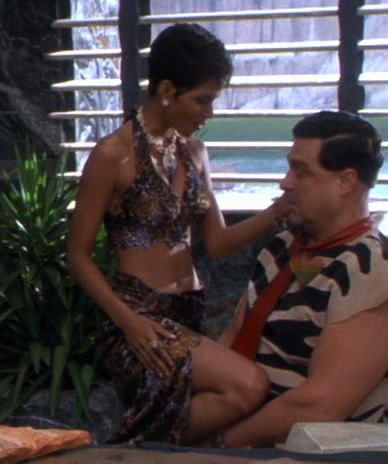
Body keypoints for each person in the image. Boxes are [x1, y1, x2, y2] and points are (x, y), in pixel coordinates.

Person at [66, 23, 287, 445]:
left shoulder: (195, 153)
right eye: (202, 100)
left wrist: (277, 212)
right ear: (167, 90)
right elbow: (77, 255)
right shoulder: (113, 155)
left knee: (216, 407)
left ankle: (136, 451)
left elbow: (218, 243)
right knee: (248, 386)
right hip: (139, 318)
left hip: (189, 312)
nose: (209, 113)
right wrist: (128, 321)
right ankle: (129, 450)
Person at [218, 110, 388, 448]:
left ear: (345, 182)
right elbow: (232, 340)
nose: (285, 183)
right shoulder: (283, 248)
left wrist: (215, 446)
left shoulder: (376, 277)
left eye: (301, 172)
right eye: (289, 168)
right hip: (240, 432)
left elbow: (318, 407)